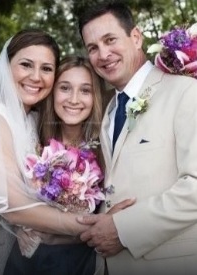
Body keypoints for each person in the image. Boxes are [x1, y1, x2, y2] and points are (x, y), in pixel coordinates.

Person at [77, 1, 197, 275]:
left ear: (136, 37)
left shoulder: (186, 92)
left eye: (110, 40)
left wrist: (123, 229)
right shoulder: (108, 110)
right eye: (92, 48)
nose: (103, 54)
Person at [4, 55, 110, 275]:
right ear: (52, 92)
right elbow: (6, 198)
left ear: (95, 97)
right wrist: (19, 228)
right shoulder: (30, 135)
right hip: (27, 261)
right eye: (64, 88)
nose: (74, 99)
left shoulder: (106, 146)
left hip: (80, 263)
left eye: (85, 90)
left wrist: (55, 235)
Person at [0, 28, 60, 275]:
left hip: (17, 255)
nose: (36, 77)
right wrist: (84, 226)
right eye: (26, 65)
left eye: (47, 69)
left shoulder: (32, 121)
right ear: (6, 67)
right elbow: (13, 203)